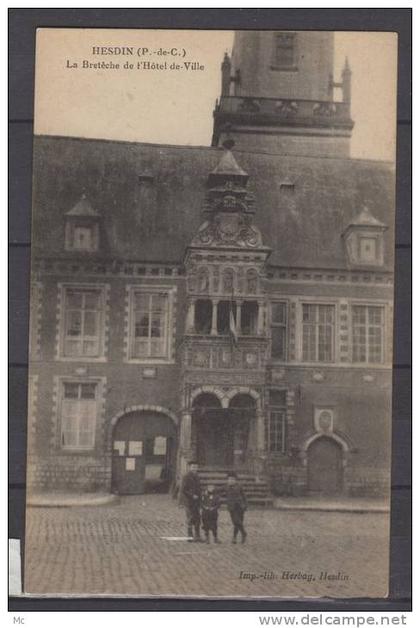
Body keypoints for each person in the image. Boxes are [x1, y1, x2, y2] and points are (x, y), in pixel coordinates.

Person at [181, 461, 202, 542]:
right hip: (189, 501)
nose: (194, 469)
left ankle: (197, 536)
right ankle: (190, 536)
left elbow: (199, 488)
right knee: (190, 518)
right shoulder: (186, 476)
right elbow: (184, 490)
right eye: (193, 467)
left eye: (196, 467)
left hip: (197, 501)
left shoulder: (197, 476)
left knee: (198, 519)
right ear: (189, 467)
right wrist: (192, 495)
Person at [226, 472, 247, 544]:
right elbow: (218, 491)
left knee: (238, 521)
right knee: (235, 522)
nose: (231, 481)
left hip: (240, 506)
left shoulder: (239, 486)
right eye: (229, 479)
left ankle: (234, 537)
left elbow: (244, 496)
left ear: (235, 480)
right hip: (231, 507)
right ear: (227, 480)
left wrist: (245, 505)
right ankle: (243, 533)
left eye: (232, 479)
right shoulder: (226, 487)